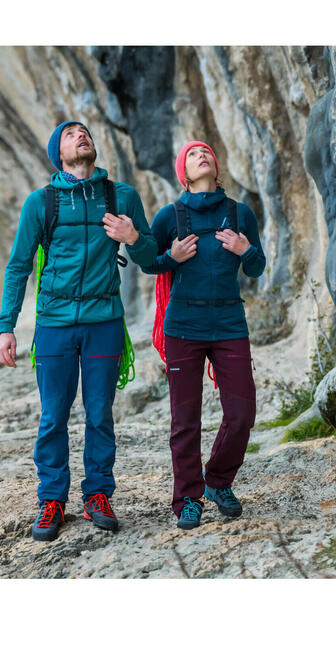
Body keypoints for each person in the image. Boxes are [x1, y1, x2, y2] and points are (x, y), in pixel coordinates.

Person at [0, 121, 157, 542]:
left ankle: (98, 495)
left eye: (84, 132)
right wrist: (6, 327)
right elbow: (18, 266)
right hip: (53, 325)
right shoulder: (41, 203)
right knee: (53, 417)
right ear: (59, 153)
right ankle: (52, 500)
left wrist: (133, 235)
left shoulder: (120, 196)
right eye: (70, 135)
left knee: (100, 415)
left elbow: (153, 257)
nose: (80, 136)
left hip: (104, 322)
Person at [144, 141, 266, 530]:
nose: (203, 155)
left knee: (242, 413)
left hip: (229, 324)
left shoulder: (239, 213)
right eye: (194, 154)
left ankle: (217, 481)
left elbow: (258, 267)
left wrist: (246, 249)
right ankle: (187, 500)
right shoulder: (170, 215)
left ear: (216, 167)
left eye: (208, 152)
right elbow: (147, 262)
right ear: (184, 172)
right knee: (185, 420)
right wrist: (170, 259)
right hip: (183, 327)